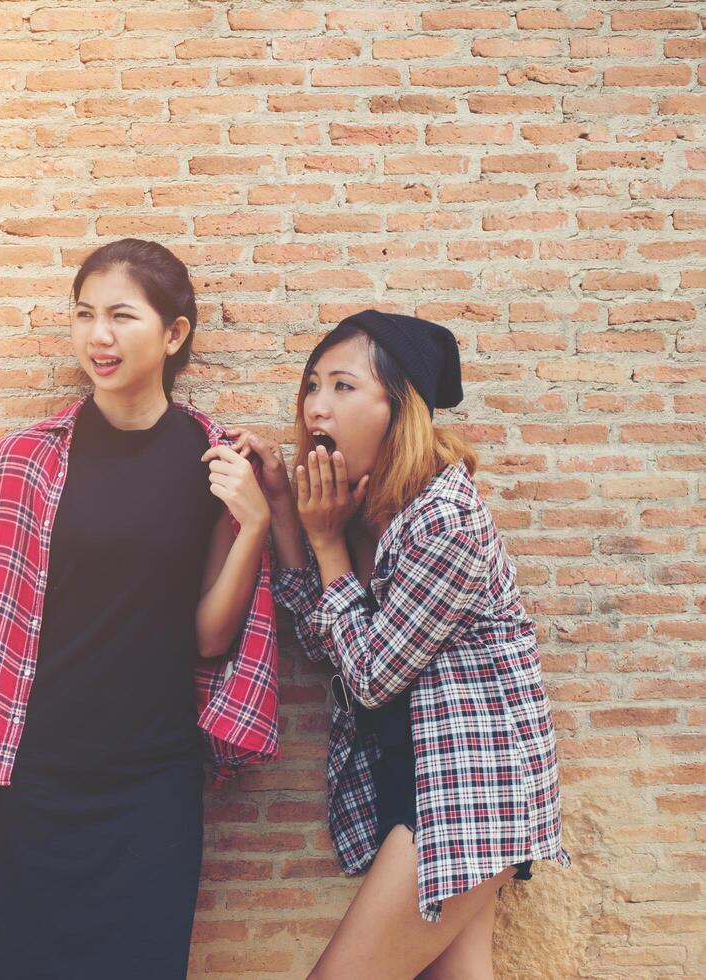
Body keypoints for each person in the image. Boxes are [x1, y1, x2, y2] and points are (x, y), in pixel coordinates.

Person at [0, 239, 280, 979]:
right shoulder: (19, 463)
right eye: (83, 315)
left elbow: (206, 639)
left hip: (150, 785)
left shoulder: (211, 464)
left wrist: (256, 526)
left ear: (174, 335)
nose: (96, 337)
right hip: (28, 782)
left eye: (119, 316)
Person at [228, 309, 569, 979]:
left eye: (343, 386)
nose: (316, 405)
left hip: (464, 797)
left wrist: (325, 543)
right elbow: (319, 640)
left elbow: (370, 676)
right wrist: (286, 516)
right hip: (411, 786)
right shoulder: (364, 511)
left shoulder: (444, 519)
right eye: (312, 385)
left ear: (397, 408)